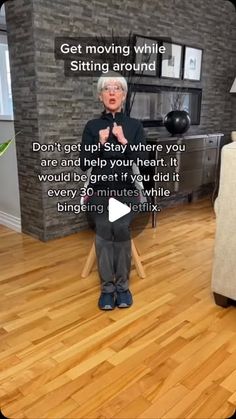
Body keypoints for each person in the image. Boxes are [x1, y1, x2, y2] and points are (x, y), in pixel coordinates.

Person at [80, 71, 146, 310]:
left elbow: (144, 160)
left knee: (117, 225)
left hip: (127, 191)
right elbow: (84, 163)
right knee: (106, 226)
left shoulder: (134, 126)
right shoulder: (92, 127)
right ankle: (107, 289)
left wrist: (124, 141)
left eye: (117, 88)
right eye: (106, 88)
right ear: (100, 96)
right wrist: (100, 144)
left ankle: (123, 287)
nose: (112, 92)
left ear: (124, 95)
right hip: (99, 191)